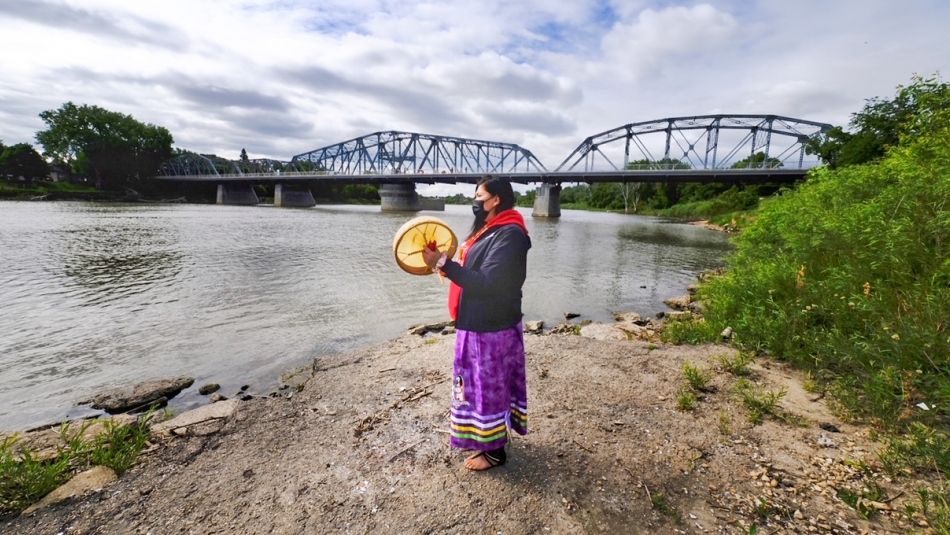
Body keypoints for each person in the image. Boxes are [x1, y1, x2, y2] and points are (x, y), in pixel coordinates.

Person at [422, 176, 531, 471]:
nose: (475, 200)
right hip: (477, 322)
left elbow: (488, 283)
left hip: (492, 327)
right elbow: (473, 270)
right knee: (473, 386)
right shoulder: (489, 230)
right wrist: (444, 262)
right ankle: (483, 437)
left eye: (479, 195)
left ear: (496, 199)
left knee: (488, 387)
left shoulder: (511, 235)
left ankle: (495, 452)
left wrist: (445, 265)